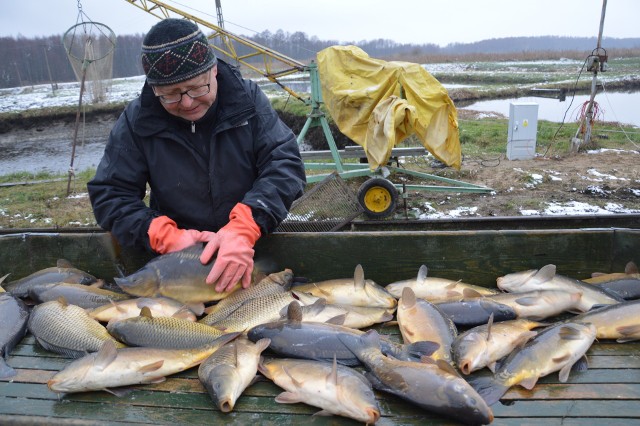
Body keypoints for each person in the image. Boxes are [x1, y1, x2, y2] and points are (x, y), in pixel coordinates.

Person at [87, 18, 306, 293]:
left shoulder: (247, 100)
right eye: (171, 95)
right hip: (176, 264)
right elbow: (110, 194)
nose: (188, 102)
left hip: (250, 247)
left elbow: (285, 163)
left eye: (197, 88)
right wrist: (162, 235)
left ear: (213, 70)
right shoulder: (137, 119)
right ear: (154, 90)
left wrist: (244, 227)